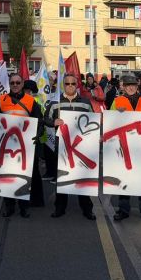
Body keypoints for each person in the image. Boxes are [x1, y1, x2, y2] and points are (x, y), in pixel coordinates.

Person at [0, 72, 44, 218]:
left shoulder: (31, 101)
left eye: (18, 83)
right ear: (9, 84)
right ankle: (9, 206)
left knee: (22, 176)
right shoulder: (1, 100)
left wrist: (36, 135)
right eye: (12, 83)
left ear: (22, 84)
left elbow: (39, 120)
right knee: (7, 175)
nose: (15, 85)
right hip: (6, 145)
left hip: (24, 145)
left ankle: (24, 207)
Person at [43, 73, 95, 220]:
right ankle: (60, 208)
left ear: (77, 85)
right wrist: (53, 122)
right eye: (67, 84)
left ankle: (87, 209)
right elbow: (45, 119)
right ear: (63, 85)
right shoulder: (55, 103)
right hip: (62, 148)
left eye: (73, 84)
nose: (70, 86)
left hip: (82, 147)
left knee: (82, 179)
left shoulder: (85, 102)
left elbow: (94, 121)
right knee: (62, 179)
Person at [111, 74, 141, 222]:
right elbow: (110, 120)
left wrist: (140, 117)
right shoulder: (117, 101)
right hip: (123, 145)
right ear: (123, 87)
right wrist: (118, 115)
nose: (131, 87)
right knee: (124, 179)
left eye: (134, 85)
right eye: (128, 85)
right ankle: (123, 210)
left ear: (138, 86)